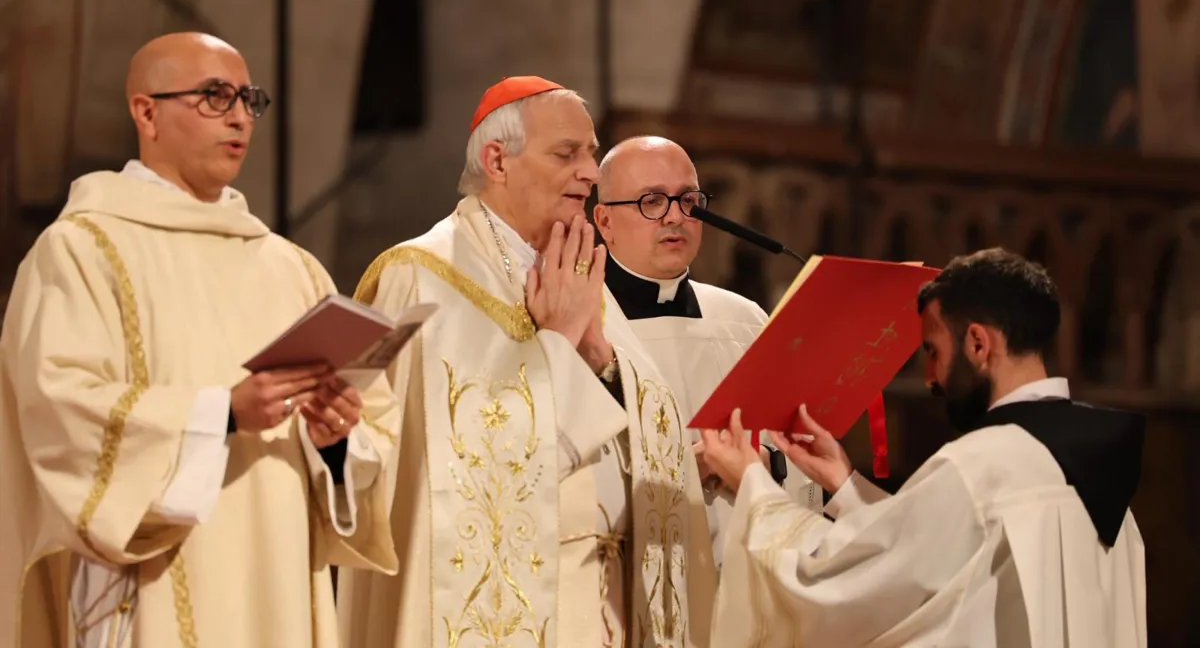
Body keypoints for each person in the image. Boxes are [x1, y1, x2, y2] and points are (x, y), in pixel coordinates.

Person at [0, 32, 400, 647]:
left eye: (248, 98)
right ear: (146, 112)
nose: (240, 116)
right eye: (215, 97)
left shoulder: (290, 267)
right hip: (154, 575)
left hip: (279, 573)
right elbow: (56, 408)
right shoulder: (82, 250)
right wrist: (222, 415)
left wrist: (336, 441)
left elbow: (368, 430)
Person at [337, 77, 716, 648]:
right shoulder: (420, 277)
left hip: (610, 596)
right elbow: (447, 474)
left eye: (591, 152)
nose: (590, 172)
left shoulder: (577, 270)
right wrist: (558, 344)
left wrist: (600, 359)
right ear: (497, 160)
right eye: (568, 154)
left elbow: (645, 424)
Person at [700, 247, 1146, 647]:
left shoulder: (983, 465)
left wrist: (755, 489)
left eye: (933, 351)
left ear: (977, 343)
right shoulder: (1094, 473)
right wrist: (846, 486)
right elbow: (939, 557)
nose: (931, 377)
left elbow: (845, 583)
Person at [592, 136, 820, 565]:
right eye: (652, 201)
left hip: (740, 582)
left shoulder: (743, 320)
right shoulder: (581, 326)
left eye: (689, 200)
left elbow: (796, 461)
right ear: (604, 221)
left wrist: (765, 465)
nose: (676, 216)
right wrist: (681, 471)